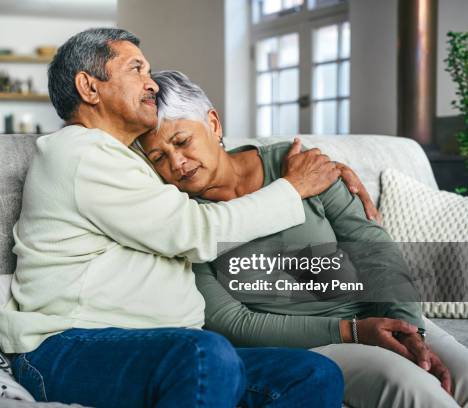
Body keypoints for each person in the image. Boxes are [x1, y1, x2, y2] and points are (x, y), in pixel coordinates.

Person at [0, 28, 350, 407]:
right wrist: (294, 186)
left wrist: (321, 167)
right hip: (71, 348)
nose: (151, 84)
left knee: (312, 373)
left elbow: (212, 154)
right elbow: (197, 231)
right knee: (204, 353)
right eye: (136, 69)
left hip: (161, 350)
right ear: (89, 87)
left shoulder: (133, 159)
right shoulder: (80, 154)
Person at [137, 70, 468, 408]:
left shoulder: (297, 163)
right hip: (314, 343)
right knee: (413, 390)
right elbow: (231, 322)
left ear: (213, 123)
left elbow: (373, 249)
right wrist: (355, 330)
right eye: (159, 158)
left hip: (381, 311)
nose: (177, 163)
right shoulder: (184, 219)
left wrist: (413, 333)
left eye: (181, 142)